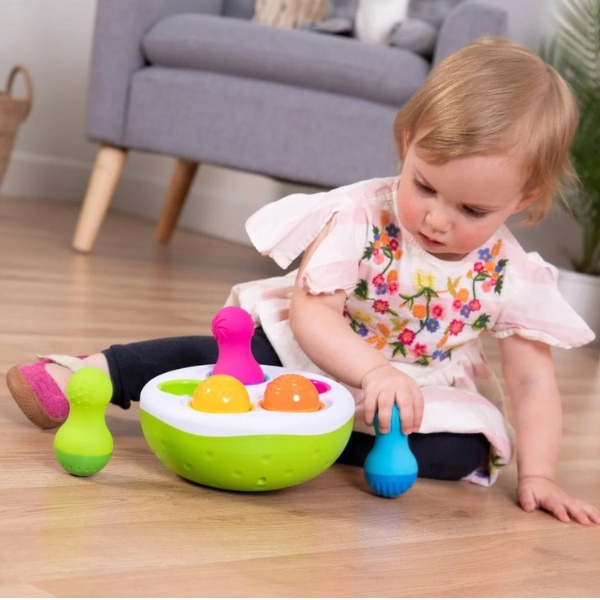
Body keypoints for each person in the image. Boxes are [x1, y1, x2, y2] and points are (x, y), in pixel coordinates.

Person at [7, 37, 600, 525]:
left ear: (524, 199)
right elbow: (313, 313)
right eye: (424, 185)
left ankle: (299, 432)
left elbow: (531, 382)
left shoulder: (514, 274)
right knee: (228, 357)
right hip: (314, 347)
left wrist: (540, 475)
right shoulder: (362, 215)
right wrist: (374, 370)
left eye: (472, 210)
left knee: (463, 449)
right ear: (407, 143)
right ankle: (92, 373)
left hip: (411, 386)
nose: (437, 220)